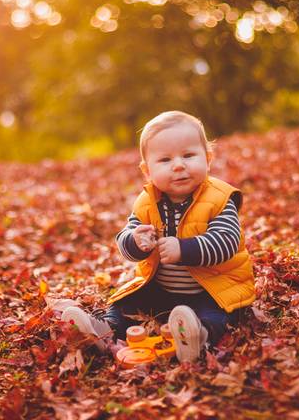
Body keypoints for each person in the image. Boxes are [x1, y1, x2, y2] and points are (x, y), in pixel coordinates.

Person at [61, 110, 256, 363]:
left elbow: (227, 242)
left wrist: (183, 249)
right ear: (147, 170)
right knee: (127, 304)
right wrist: (136, 241)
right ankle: (103, 330)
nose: (178, 165)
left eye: (188, 155)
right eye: (165, 160)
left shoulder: (219, 198)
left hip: (213, 289)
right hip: (161, 289)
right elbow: (124, 241)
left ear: (207, 159)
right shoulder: (146, 202)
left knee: (217, 315)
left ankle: (198, 336)